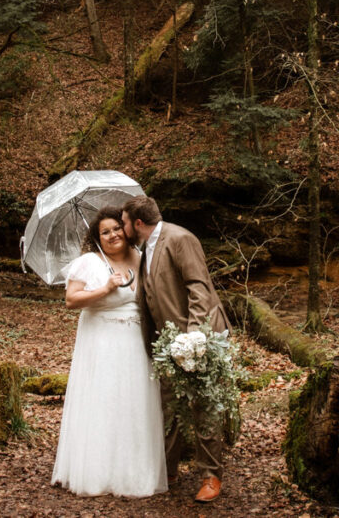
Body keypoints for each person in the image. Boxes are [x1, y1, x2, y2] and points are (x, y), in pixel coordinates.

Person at [51, 206, 168, 498]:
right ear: (97, 237)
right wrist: (105, 288)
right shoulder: (89, 262)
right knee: (104, 401)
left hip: (135, 342)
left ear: (126, 229)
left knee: (134, 401)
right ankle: (97, 472)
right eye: (105, 232)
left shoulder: (140, 258)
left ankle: (134, 472)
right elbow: (71, 300)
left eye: (117, 228)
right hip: (101, 342)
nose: (113, 235)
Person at [121, 195, 231, 503]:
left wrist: (195, 336)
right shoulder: (145, 250)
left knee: (204, 408)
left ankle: (211, 476)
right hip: (167, 344)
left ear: (137, 223)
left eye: (125, 222)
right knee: (168, 407)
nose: (122, 227)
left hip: (197, 339)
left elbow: (199, 288)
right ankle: (167, 470)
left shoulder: (180, 238)